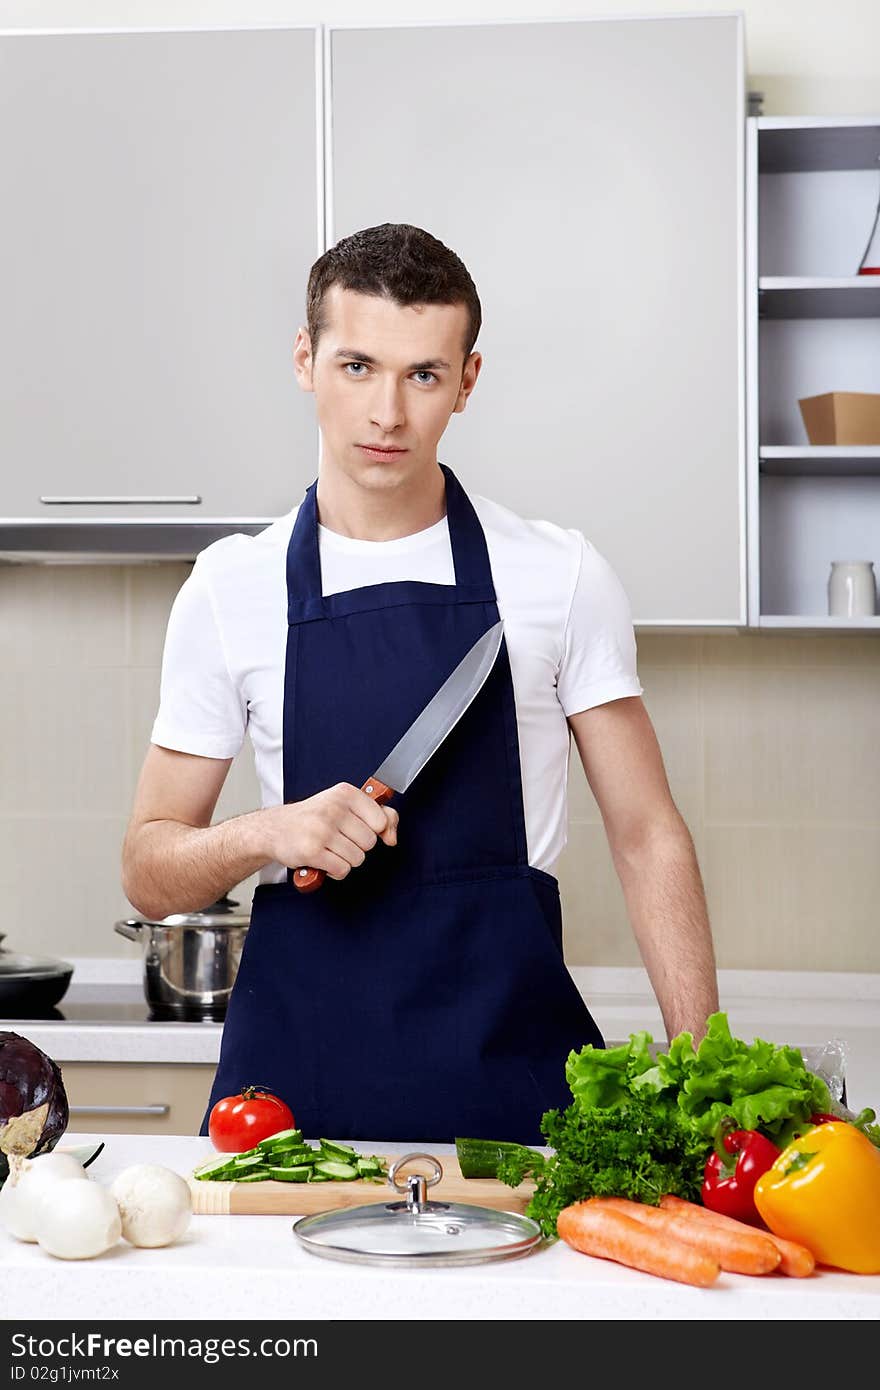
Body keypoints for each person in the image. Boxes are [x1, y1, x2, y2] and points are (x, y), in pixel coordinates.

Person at [122, 223, 719, 1144]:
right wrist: (268, 831)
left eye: (424, 376)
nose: (388, 415)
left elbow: (647, 836)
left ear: (467, 382)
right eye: (358, 366)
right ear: (305, 360)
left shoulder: (558, 576)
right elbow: (149, 871)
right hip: (290, 1117)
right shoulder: (228, 589)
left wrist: (702, 1071)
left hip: (514, 1099)